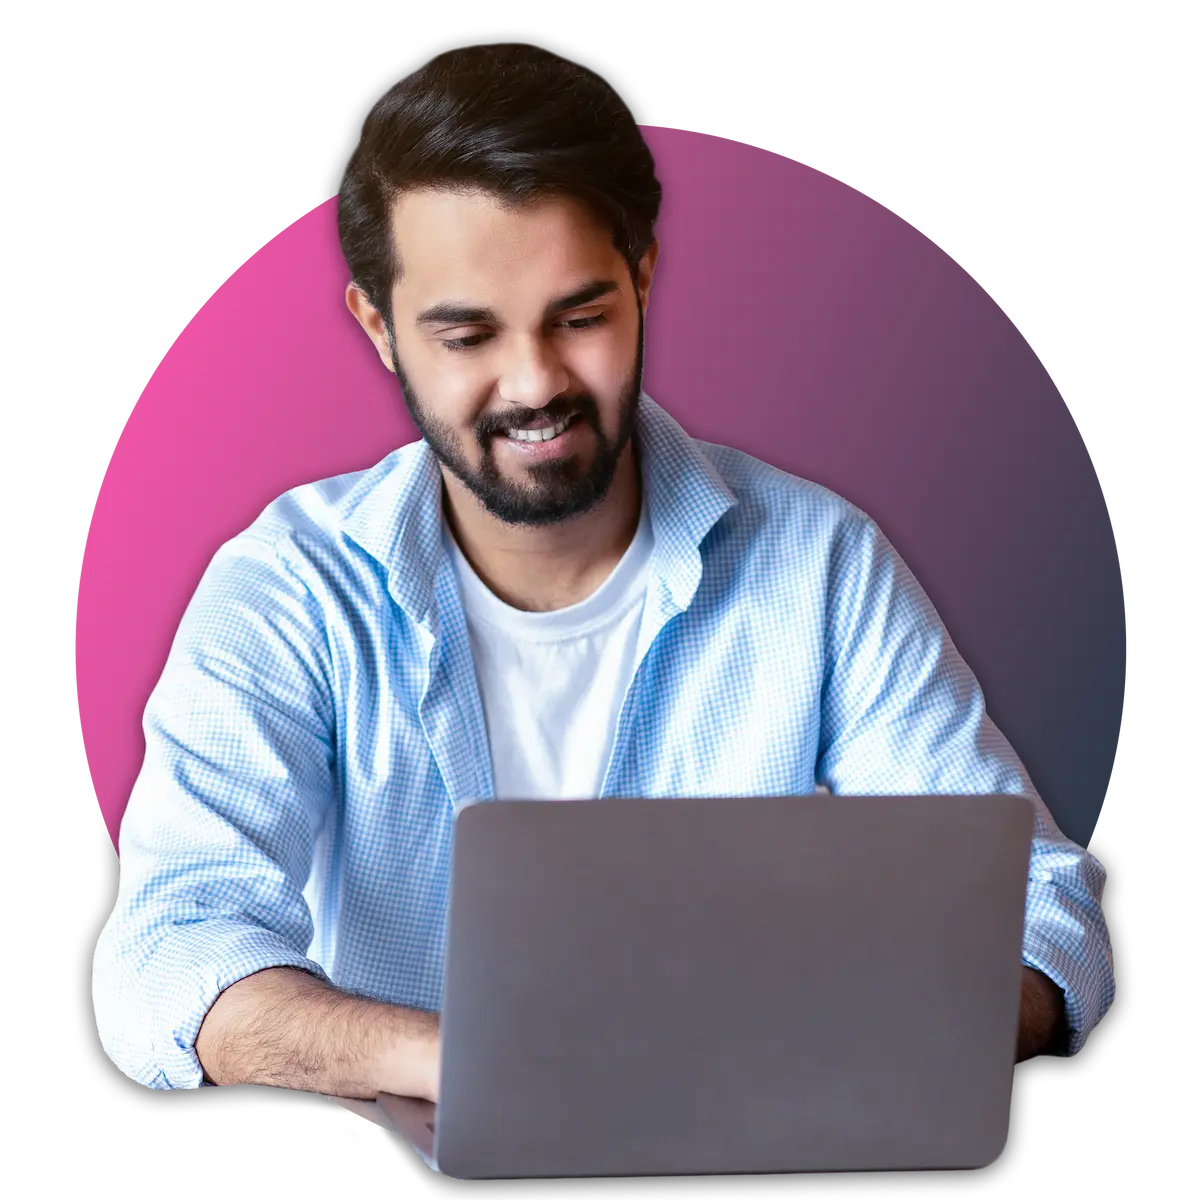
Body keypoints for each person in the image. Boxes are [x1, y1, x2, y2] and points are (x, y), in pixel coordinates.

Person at [91, 42, 1115, 1107]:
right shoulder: (290, 591)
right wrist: (467, 1065)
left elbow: (1040, 910)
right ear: (380, 330)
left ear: (643, 279)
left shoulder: (820, 566)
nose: (535, 383)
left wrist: (859, 1044)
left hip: (758, 1161)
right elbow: (168, 951)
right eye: (467, 336)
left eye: (580, 318)